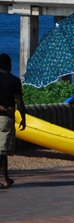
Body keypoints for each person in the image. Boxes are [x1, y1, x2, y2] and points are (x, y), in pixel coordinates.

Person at [0, 53, 27, 188]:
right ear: (9, 65)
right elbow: (19, 102)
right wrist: (23, 118)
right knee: (2, 150)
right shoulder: (14, 81)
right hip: (6, 118)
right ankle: (4, 178)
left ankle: (5, 178)